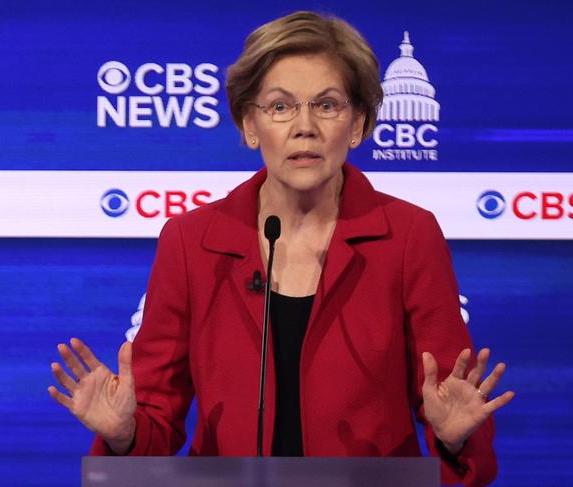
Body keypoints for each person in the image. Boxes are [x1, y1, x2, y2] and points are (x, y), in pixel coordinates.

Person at [49, 11, 513, 487]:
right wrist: (125, 433)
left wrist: (456, 438)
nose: (304, 126)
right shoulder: (192, 241)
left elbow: (448, 403)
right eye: (280, 106)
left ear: (358, 125)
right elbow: (156, 419)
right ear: (249, 125)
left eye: (327, 105)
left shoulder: (409, 236)